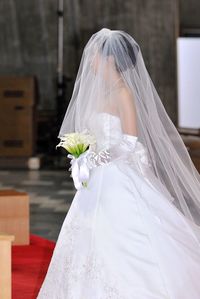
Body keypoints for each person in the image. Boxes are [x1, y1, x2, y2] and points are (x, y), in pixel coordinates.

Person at [37, 28, 200, 299]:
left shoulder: (124, 93)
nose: (90, 63)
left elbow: (129, 142)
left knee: (124, 235)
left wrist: (96, 159)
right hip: (97, 177)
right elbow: (94, 135)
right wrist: (83, 153)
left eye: (94, 57)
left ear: (109, 59)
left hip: (118, 174)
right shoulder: (99, 92)